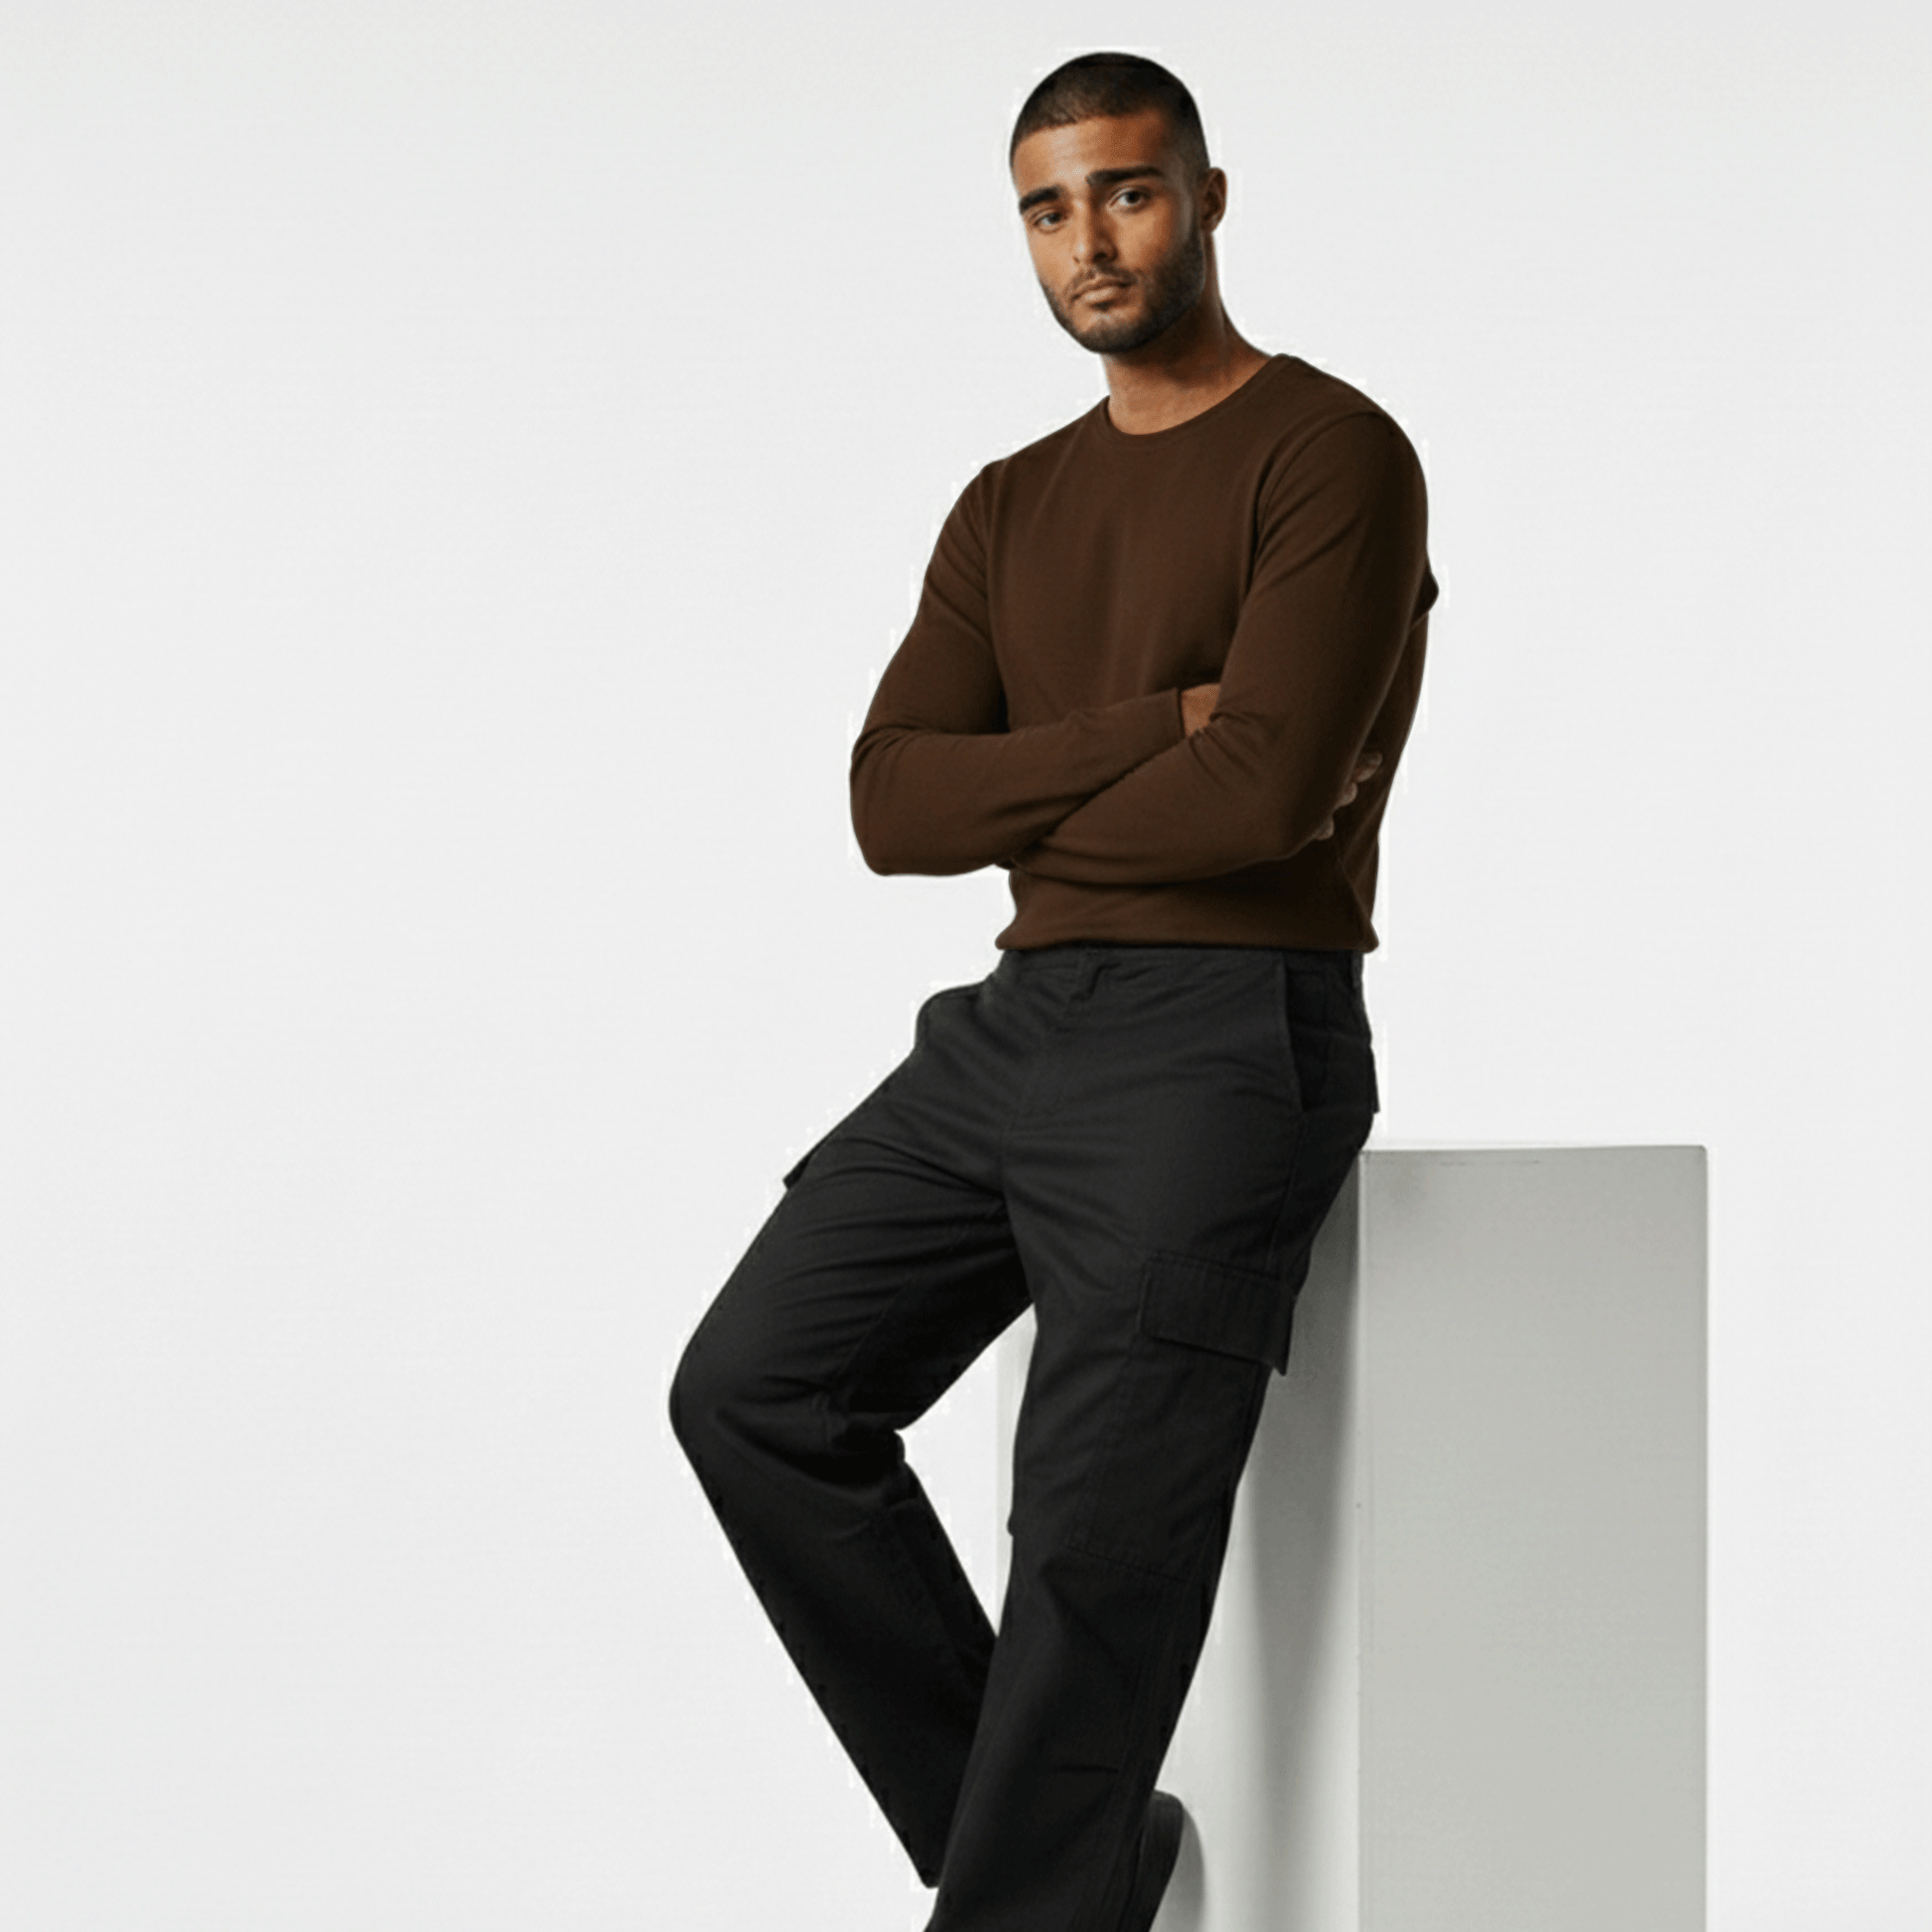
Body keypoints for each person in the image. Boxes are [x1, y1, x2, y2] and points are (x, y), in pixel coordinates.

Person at [669, 50, 1438, 1932]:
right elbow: (890, 805)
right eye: (1046, 209)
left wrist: (1041, 800)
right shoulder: (1008, 505)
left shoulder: (1330, 453)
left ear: (1206, 199)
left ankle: (1029, 1898)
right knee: (756, 1390)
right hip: (1014, 1032)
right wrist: (1150, 729)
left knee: (1090, 1538)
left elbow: (1266, 795)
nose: (1088, 241)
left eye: (1127, 192)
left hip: (1228, 1034)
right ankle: (1065, 1864)